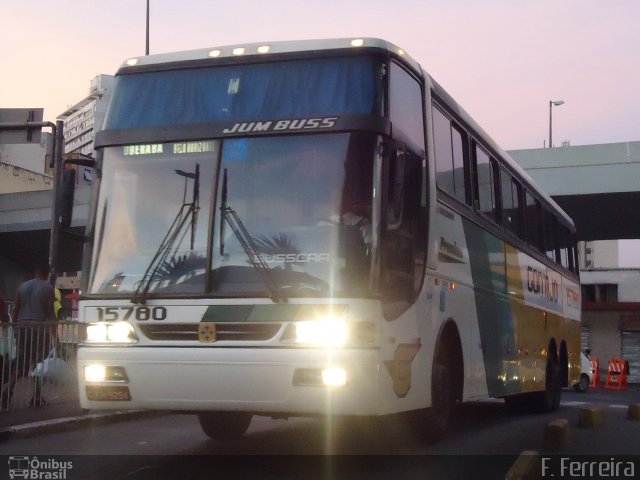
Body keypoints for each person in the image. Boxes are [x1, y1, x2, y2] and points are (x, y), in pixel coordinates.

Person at [12, 260, 56, 407]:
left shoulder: (22, 287)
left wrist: (15, 329)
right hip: (39, 330)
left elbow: (15, 311)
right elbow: (50, 314)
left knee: (23, 362)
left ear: (35, 272)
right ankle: (36, 396)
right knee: (39, 364)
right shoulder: (48, 288)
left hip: (22, 328)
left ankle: (9, 392)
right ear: (47, 273)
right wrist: (56, 337)